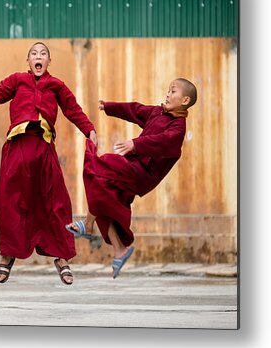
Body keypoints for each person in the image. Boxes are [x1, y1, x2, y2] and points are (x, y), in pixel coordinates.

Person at [0, 42, 97, 285]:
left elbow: (73, 110)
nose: (38, 57)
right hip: (16, 148)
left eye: (43, 54)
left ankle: (61, 258)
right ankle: (8, 256)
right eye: (34, 54)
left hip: (44, 149)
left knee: (57, 202)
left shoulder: (57, 85)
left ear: (49, 62)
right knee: (11, 203)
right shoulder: (17, 79)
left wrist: (89, 130)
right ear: (28, 61)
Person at [66, 78, 197, 278]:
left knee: (102, 163)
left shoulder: (177, 128)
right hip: (132, 167)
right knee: (103, 194)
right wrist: (110, 107)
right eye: (168, 90)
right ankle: (120, 249)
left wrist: (136, 144)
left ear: (185, 100)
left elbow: (164, 142)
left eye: (173, 91)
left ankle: (88, 224)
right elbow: (135, 110)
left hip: (142, 173)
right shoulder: (158, 112)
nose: (168, 94)